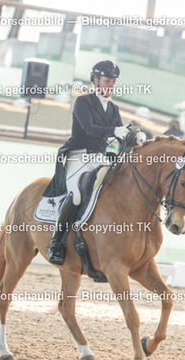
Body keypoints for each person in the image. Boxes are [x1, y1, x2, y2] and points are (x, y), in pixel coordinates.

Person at [47, 60, 145, 265]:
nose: (111, 85)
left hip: (100, 157)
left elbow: (120, 135)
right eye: (107, 80)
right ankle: (55, 242)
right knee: (76, 195)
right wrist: (114, 130)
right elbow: (89, 128)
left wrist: (133, 137)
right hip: (78, 155)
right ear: (96, 79)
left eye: (113, 82)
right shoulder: (83, 102)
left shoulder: (113, 109)